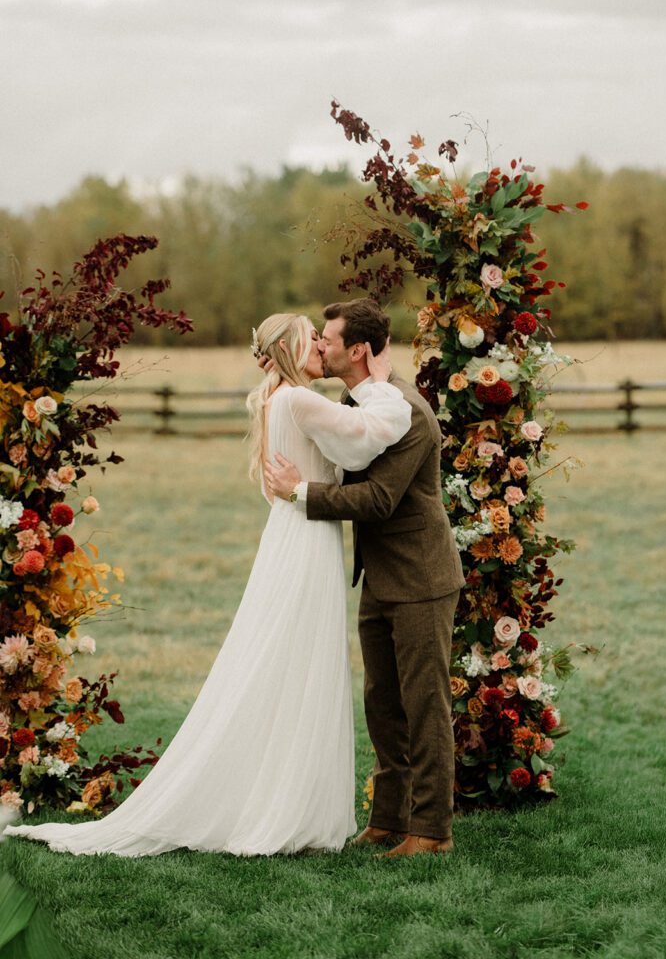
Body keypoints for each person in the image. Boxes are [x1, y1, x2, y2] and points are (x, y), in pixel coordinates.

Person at [3, 313, 411, 857]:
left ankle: (282, 798)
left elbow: (326, 460)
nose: (319, 346)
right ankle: (285, 810)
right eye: (311, 337)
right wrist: (380, 381)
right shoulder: (296, 399)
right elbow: (370, 437)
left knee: (291, 661)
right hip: (306, 540)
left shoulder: (276, 400)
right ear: (290, 347)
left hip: (294, 532)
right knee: (299, 662)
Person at [266, 298, 465, 857]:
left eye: (327, 340)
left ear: (357, 350)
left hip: (422, 577)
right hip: (379, 576)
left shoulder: (410, 414)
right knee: (382, 703)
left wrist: (299, 494)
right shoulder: (360, 401)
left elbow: (377, 499)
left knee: (424, 704)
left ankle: (431, 832)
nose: (321, 347)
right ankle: (386, 817)